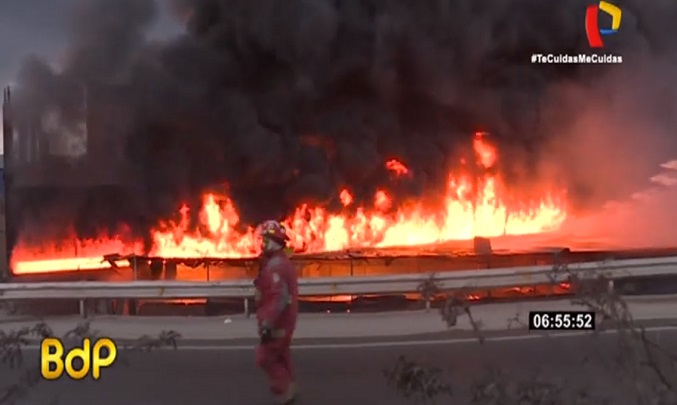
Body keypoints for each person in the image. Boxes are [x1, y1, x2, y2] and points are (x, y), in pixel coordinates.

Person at [254, 220, 299, 404]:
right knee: (282, 354)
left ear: (273, 242)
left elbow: (278, 298)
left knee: (265, 357)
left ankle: (285, 387)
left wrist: (267, 323)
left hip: (278, 322)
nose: (262, 244)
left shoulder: (277, 267)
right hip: (284, 319)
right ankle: (290, 386)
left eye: (264, 240)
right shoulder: (277, 262)